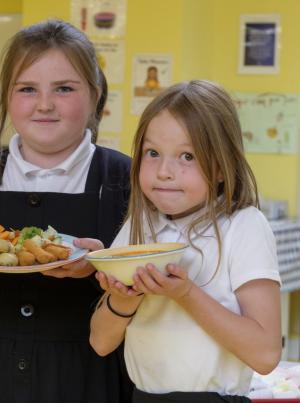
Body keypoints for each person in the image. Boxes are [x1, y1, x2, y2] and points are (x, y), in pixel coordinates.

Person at [0, 20, 133, 403]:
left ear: (95, 94)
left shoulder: (124, 179)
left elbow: (149, 300)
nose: (44, 104)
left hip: (91, 379)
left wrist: (99, 269)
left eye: (65, 89)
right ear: (7, 97)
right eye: (27, 89)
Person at [89, 80, 281, 403]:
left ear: (222, 167)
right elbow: (100, 342)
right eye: (152, 153)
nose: (164, 171)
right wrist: (124, 298)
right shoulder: (140, 225)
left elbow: (265, 354)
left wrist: (185, 294)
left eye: (187, 156)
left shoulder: (244, 226)